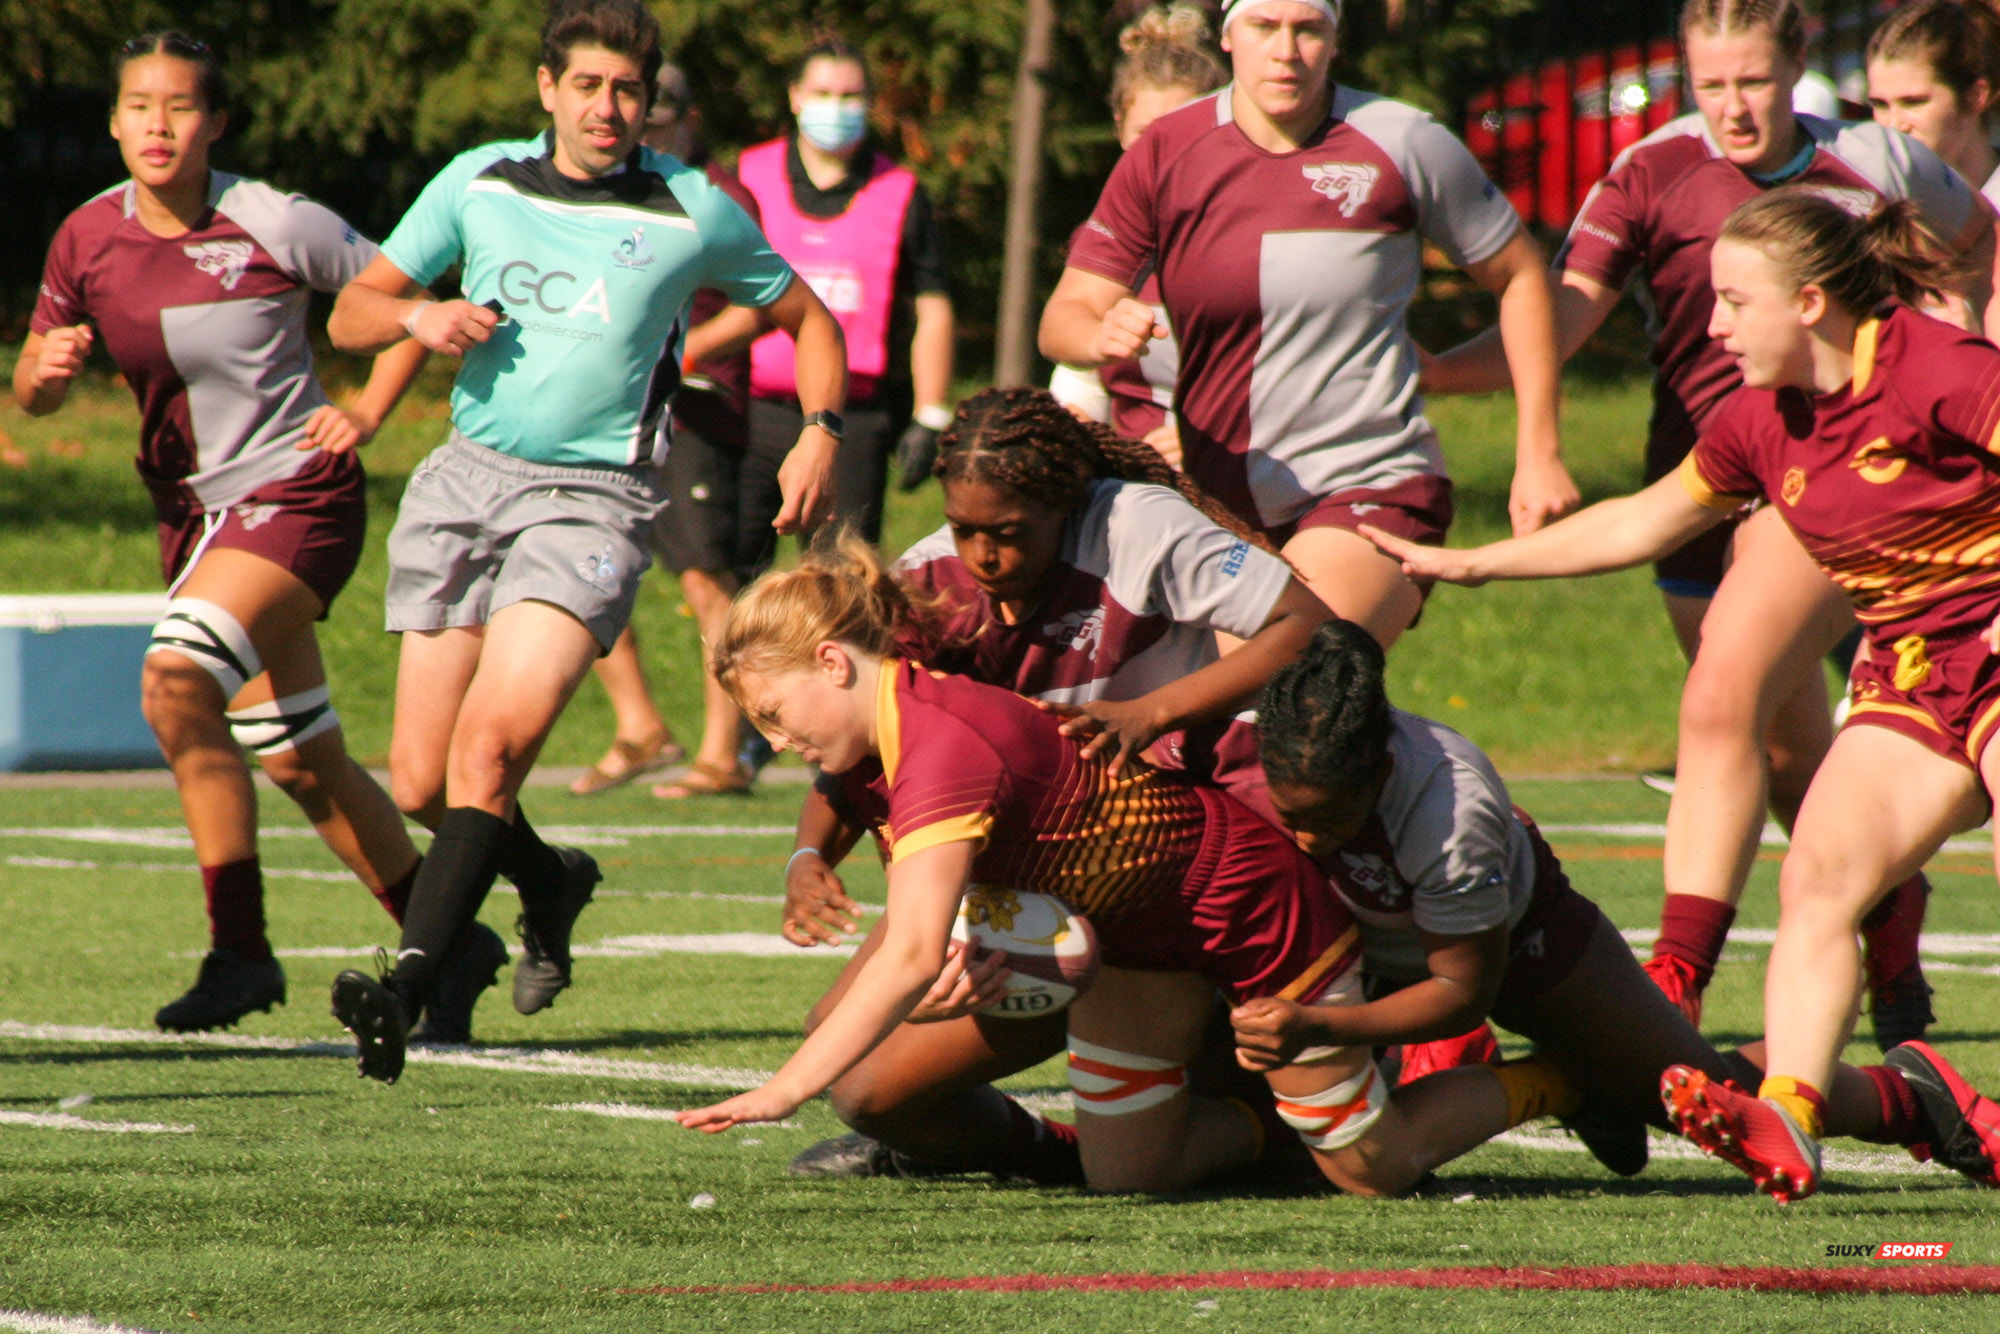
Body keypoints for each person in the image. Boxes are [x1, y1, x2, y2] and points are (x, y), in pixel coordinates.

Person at [1369, 187, 2000, 1202]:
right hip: (1915, 669)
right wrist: (1478, 562)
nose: (1711, 325)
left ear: (1806, 303)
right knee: (1816, 882)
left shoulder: (1933, 367)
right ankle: (1789, 1117)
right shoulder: (1761, 418)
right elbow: (1643, 521)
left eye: (1729, 301)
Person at [1421, 0, 2000, 1048]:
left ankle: (1674, 983)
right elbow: (1563, 314)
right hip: (1731, 464)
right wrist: (1477, 412)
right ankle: (1878, 931)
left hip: (1848, 471)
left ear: (1797, 72)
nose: (1733, 108)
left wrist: (1959, 354)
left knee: (1725, 684)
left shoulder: (1875, 161)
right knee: (1784, 755)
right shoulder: (1649, 170)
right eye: (1709, 85)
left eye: (1755, 83)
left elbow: (1974, 243)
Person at [320, 0, 845, 1083]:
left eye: (629, 90)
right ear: (549, 91)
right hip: (463, 483)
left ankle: (408, 985)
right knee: (421, 776)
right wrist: (419, 318)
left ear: (649, 100)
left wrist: (820, 435)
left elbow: (811, 319)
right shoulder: (479, 182)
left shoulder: (691, 207)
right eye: (589, 86)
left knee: (490, 750)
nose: (610, 108)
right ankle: (549, 881)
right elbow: (351, 314)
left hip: (593, 498)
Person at [780, 386, 1335, 1181]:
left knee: (1232, 1086)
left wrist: (1152, 713)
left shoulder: (1136, 524)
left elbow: (1311, 624)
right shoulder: (929, 582)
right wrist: (808, 856)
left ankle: (1260, 1101)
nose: (982, 555)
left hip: (1169, 858)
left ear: (1064, 502)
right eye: (965, 529)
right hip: (1031, 884)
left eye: (1006, 533)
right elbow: (859, 739)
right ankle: (1040, 1151)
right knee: (856, 1069)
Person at [1237, 618, 2000, 1196]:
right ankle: (1590, 1079)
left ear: (1382, 768)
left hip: (1531, 950)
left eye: (1327, 819)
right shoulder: (1255, 763)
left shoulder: (1447, 808)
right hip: (1387, 956)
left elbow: (1460, 994)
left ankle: (1907, 1095)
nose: (1306, 838)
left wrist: (1317, 1023)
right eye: (1289, 813)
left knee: (1707, 1099)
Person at [11, 32, 446, 1035]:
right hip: (197, 521)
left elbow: (400, 307)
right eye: (138, 106)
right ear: (114, 120)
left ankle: (239, 949)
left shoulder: (273, 218)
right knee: (297, 756)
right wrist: (49, 373)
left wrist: (368, 412)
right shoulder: (84, 235)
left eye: (180, 107)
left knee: (173, 685)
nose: (158, 125)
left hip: (296, 496)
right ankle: (447, 939)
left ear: (216, 124)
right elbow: (34, 384)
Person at [1039, 0, 1573, 652]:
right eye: (1265, 26)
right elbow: (1063, 317)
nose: (1286, 50)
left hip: (1371, 476)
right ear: (1230, 35)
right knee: (1266, 730)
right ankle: (1424, 758)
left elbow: (1522, 276)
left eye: (1308, 28)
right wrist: (1097, 334)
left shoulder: (1404, 141)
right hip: (1220, 500)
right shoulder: (1165, 153)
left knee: (1287, 670)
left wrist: (1538, 453)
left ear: (1335, 36)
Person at [568, 63, 770, 799]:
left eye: (656, 115)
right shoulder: (610, 191)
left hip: (698, 408)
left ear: (687, 119)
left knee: (705, 581)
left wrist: (676, 351)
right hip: (613, 410)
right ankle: (639, 726)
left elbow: (763, 305)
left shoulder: (719, 195)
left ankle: (721, 754)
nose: (638, 127)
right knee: (576, 556)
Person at [736, 36, 956, 551]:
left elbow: (933, 307)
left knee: (841, 576)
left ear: (871, 103)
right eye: (823, 92)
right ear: (794, 96)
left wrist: (930, 413)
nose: (835, 107)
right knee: (727, 572)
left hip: (850, 416)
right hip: (751, 407)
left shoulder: (900, 191)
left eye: (850, 96)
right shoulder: (747, 176)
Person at [1047, 3, 1226, 461]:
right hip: (1135, 488)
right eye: (1148, 134)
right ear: (1119, 129)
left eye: (1186, 131)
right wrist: (1083, 433)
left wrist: (1205, 445)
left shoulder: (1260, 232)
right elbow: (1082, 380)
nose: (1165, 153)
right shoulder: (1101, 240)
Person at [1867, 1, 2000, 211]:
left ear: (1975, 97)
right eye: (1881, 105)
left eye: (1913, 102)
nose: (1894, 125)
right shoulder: (1865, 213)